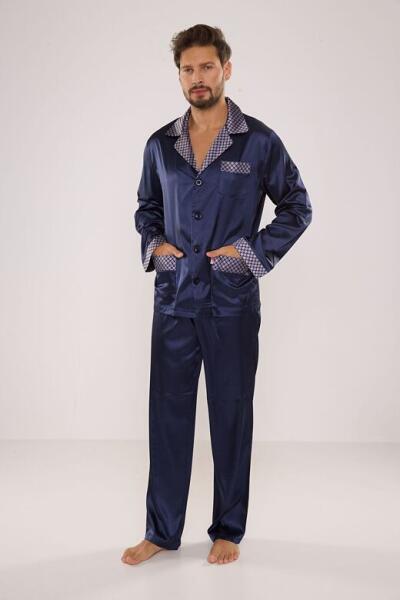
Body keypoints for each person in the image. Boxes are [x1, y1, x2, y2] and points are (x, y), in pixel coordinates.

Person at [121, 23, 312, 566]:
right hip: (174, 301)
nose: (197, 77)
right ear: (179, 75)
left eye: (207, 67)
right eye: (188, 69)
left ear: (226, 69)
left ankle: (228, 528)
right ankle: (162, 531)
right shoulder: (160, 145)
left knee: (231, 415)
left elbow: (297, 206)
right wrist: (156, 247)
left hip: (231, 304)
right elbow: (146, 208)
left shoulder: (259, 141)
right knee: (167, 416)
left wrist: (247, 255)